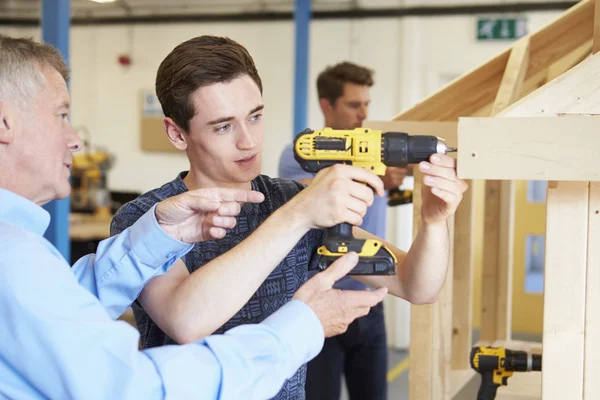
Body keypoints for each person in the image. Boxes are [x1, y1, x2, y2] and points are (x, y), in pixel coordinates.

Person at [0, 35, 389, 400]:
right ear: (4, 122)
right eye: (61, 114)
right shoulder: (15, 260)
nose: (75, 138)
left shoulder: (21, 252)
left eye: (254, 117)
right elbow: (139, 388)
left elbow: (71, 303)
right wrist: (298, 327)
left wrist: (153, 239)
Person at [111, 35, 467, 400]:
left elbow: (416, 285)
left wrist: (435, 222)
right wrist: (299, 214)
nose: (248, 141)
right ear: (176, 133)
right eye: (223, 126)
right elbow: (186, 320)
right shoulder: (144, 218)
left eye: (255, 116)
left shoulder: (289, 198)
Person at [278, 61, 406, 399]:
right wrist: (378, 175)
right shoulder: (299, 155)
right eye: (353, 104)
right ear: (326, 105)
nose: (363, 114)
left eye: (366, 104)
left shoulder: (377, 151)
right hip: (317, 303)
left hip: (369, 303)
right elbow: (319, 193)